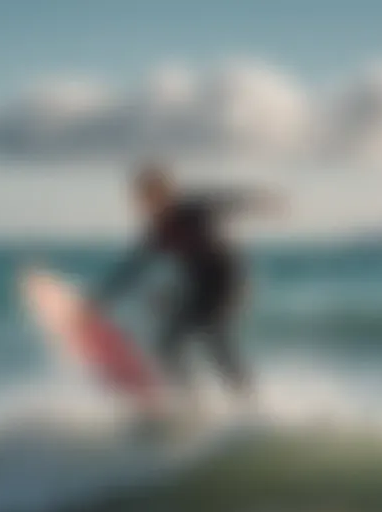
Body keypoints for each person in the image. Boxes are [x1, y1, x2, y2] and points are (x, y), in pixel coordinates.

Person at [88, 165, 287, 418]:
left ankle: (248, 402)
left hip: (227, 280)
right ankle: (193, 402)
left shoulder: (192, 210)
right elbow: (134, 267)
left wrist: (266, 202)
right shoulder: (160, 232)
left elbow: (230, 201)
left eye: (150, 195)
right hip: (200, 285)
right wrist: (100, 300)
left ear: (165, 193)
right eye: (141, 198)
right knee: (168, 343)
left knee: (212, 334)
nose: (145, 203)